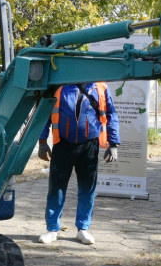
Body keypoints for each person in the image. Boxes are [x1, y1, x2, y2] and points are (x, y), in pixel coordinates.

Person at [37, 83, 120, 245]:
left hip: (89, 146)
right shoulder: (59, 85)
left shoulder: (101, 87)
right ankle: (52, 229)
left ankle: (83, 229)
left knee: (87, 189)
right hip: (62, 144)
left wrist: (114, 143)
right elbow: (45, 114)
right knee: (56, 189)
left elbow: (111, 114)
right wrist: (42, 141)